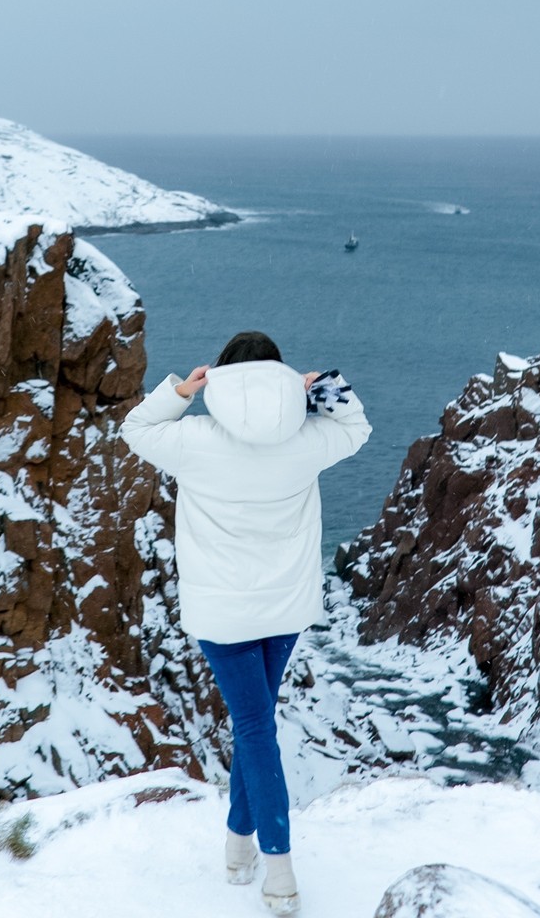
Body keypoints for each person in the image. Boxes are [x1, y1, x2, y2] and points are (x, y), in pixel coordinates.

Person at [120, 330, 372, 916]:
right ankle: (238, 850)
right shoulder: (308, 440)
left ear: (221, 379)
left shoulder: (194, 439)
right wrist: (320, 388)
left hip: (222, 614)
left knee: (254, 726)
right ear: (282, 376)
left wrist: (181, 391)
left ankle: (278, 874)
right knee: (256, 724)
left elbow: (136, 429)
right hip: (286, 610)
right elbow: (356, 428)